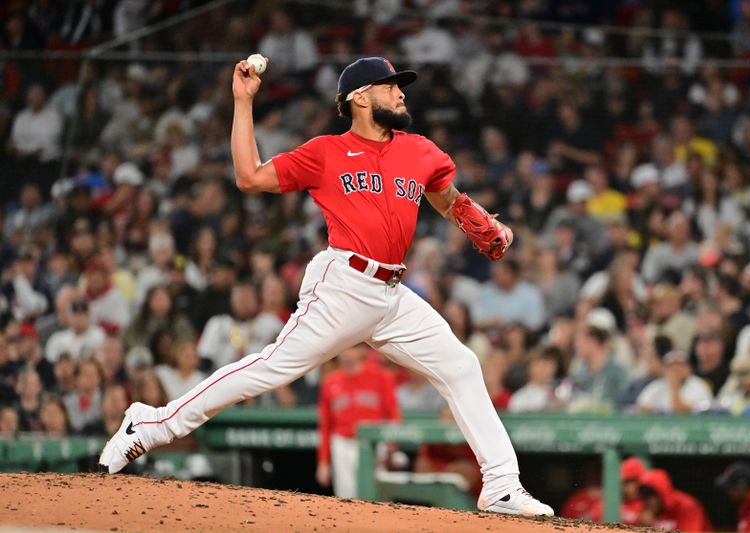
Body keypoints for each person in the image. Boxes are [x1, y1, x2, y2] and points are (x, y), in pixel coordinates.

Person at [100, 56, 554, 517]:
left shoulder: (420, 151)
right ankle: (152, 423)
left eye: (400, 86)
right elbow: (249, 176)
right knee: (271, 369)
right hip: (344, 284)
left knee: (461, 365)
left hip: (393, 294)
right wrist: (243, 103)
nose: (400, 93)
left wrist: (481, 222)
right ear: (359, 97)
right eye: (389, 85)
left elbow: (446, 198)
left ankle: (500, 484)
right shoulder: (325, 152)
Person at [316, 345, 399, 498]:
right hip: (343, 443)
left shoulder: (381, 377)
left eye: (352, 348)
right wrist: (323, 462)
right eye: (344, 348)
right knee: (345, 497)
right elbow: (325, 426)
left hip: (373, 443)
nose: (346, 353)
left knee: (376, 496)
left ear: (362, 351)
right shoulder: (330, 382)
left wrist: (392, 446)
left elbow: (393, 414)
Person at [638, 468, 712, 532]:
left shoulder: (686, 506)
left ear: (661, 494)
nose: (647, 502)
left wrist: (653, 528)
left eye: (650, 497)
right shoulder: (648, 512)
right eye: (644, 498)